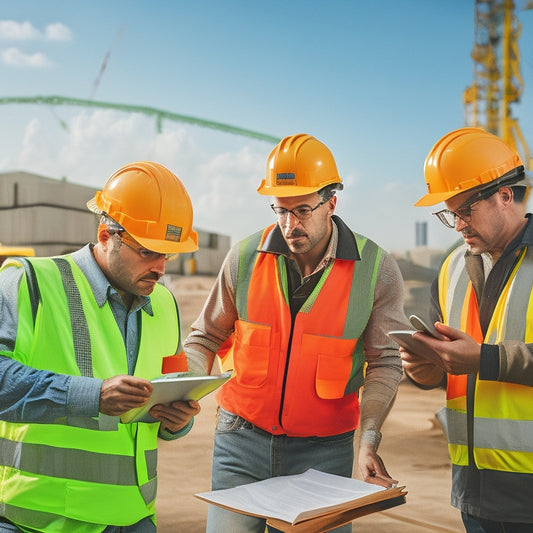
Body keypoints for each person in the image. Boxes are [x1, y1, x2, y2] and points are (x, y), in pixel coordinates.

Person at [184, 133, 407, 533]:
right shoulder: (244, 259)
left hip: (325, 452)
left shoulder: (376, 269)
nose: (290, 224)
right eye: (280, 210)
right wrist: (185, 388)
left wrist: (369, 438)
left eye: (303, 210)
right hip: (240, 441)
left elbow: (386, 363)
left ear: (332, 203)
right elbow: (204, 337)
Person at [0, 161, 201, 532]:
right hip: (40, 520)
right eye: (147, 251)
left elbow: (167, 395)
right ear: (107, 235)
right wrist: (91, 395)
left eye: (168, 255)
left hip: (133, 516)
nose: (160, 268)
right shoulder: (30, 283)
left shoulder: (167, 306)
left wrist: (177, 422)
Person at [402, 127, 533, 533]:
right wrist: (423, 369)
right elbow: (448, 369)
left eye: (465, 211)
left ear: (505, 196)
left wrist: (485, 359)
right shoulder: (452, 267)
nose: (457, 225)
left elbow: (479, 358)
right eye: (449, 213)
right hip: (472, 488)